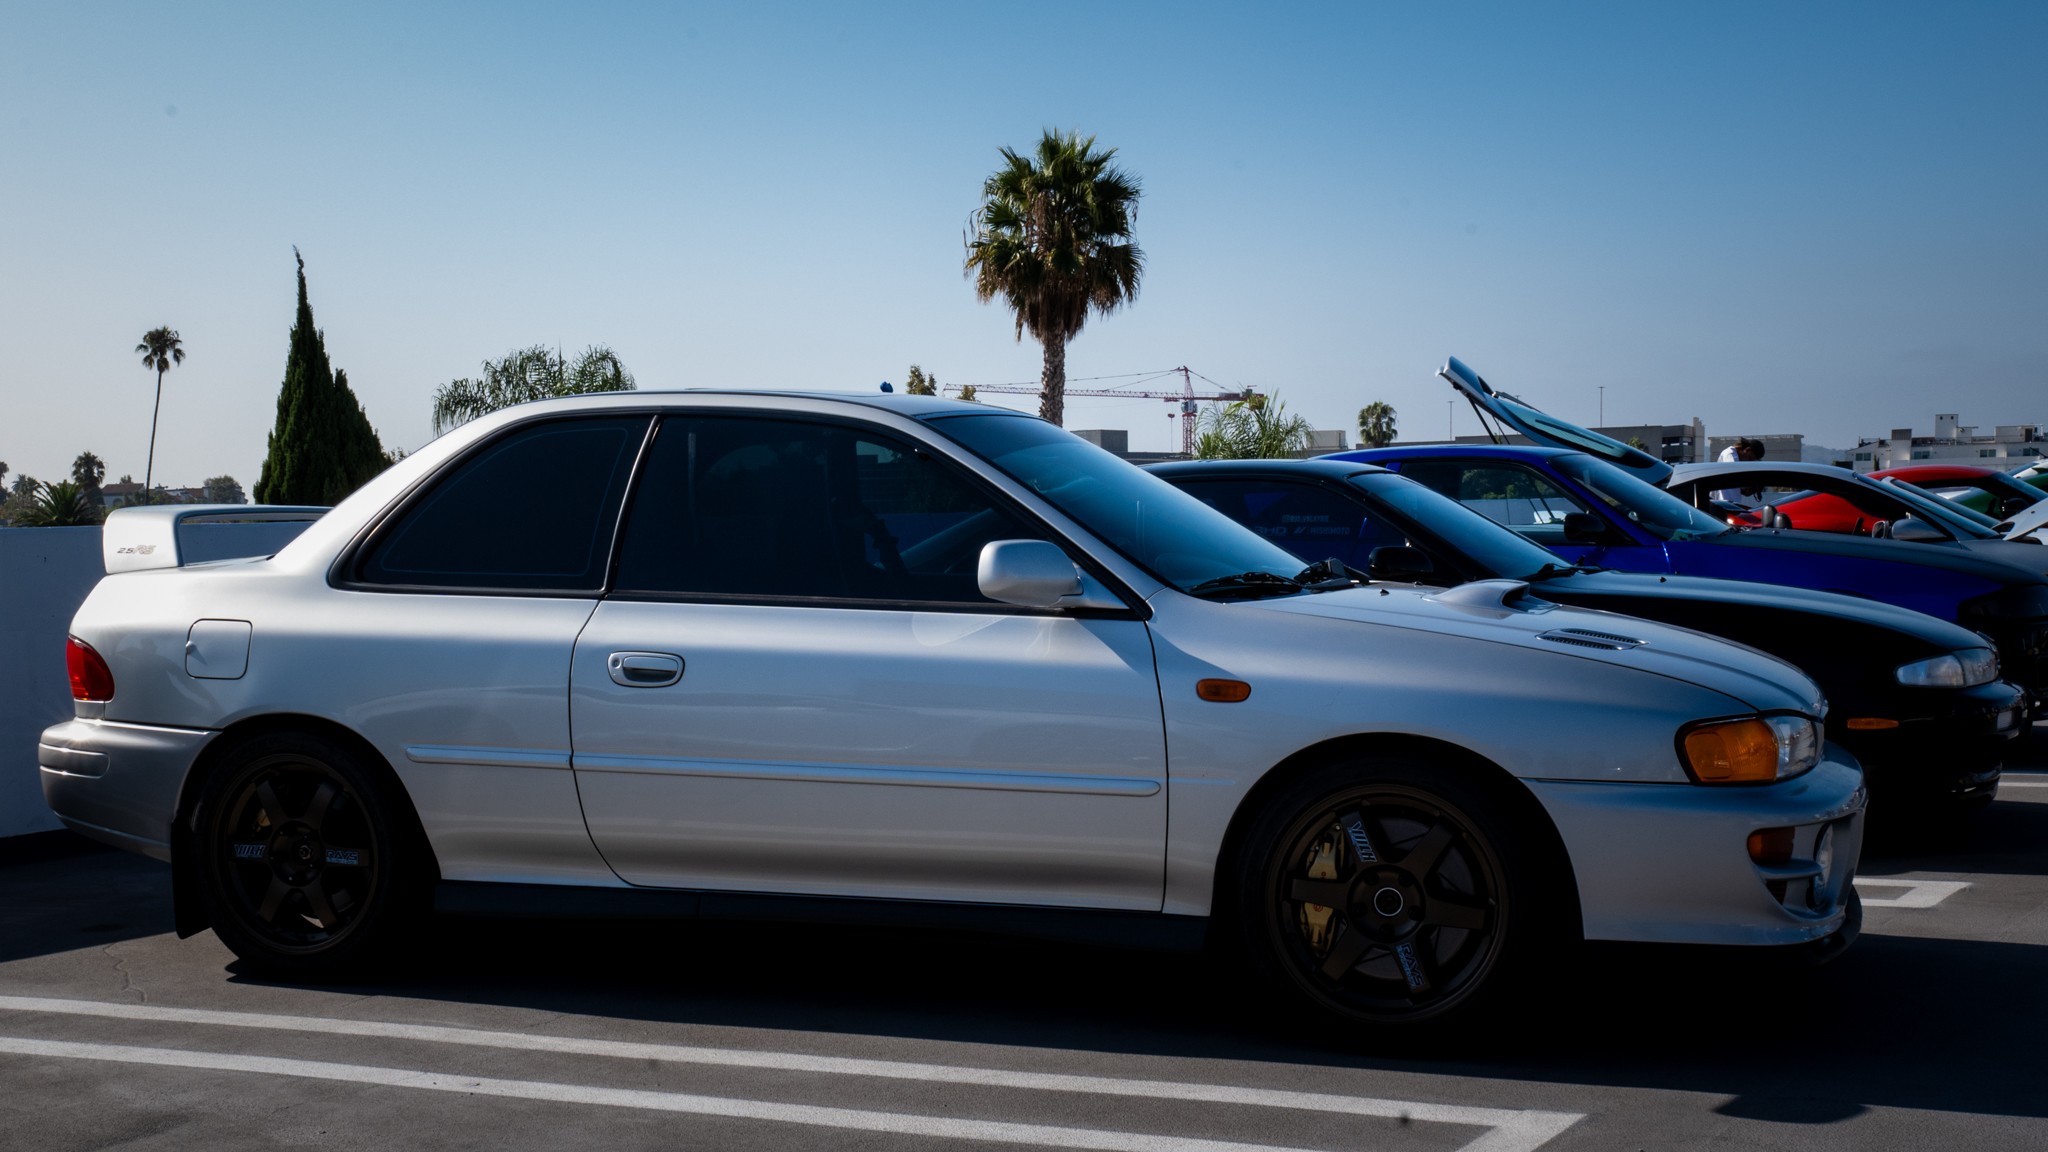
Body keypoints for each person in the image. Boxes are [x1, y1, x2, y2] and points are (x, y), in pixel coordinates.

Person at [1712, 438, 1766, 507]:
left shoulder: (1737, 460)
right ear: (1747, 450)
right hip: (1722, 505)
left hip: (1731, 505)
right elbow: (1735, 476)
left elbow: (1733, 484)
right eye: (1749, 458)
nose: (1748, 462)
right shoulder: (1730, 455)